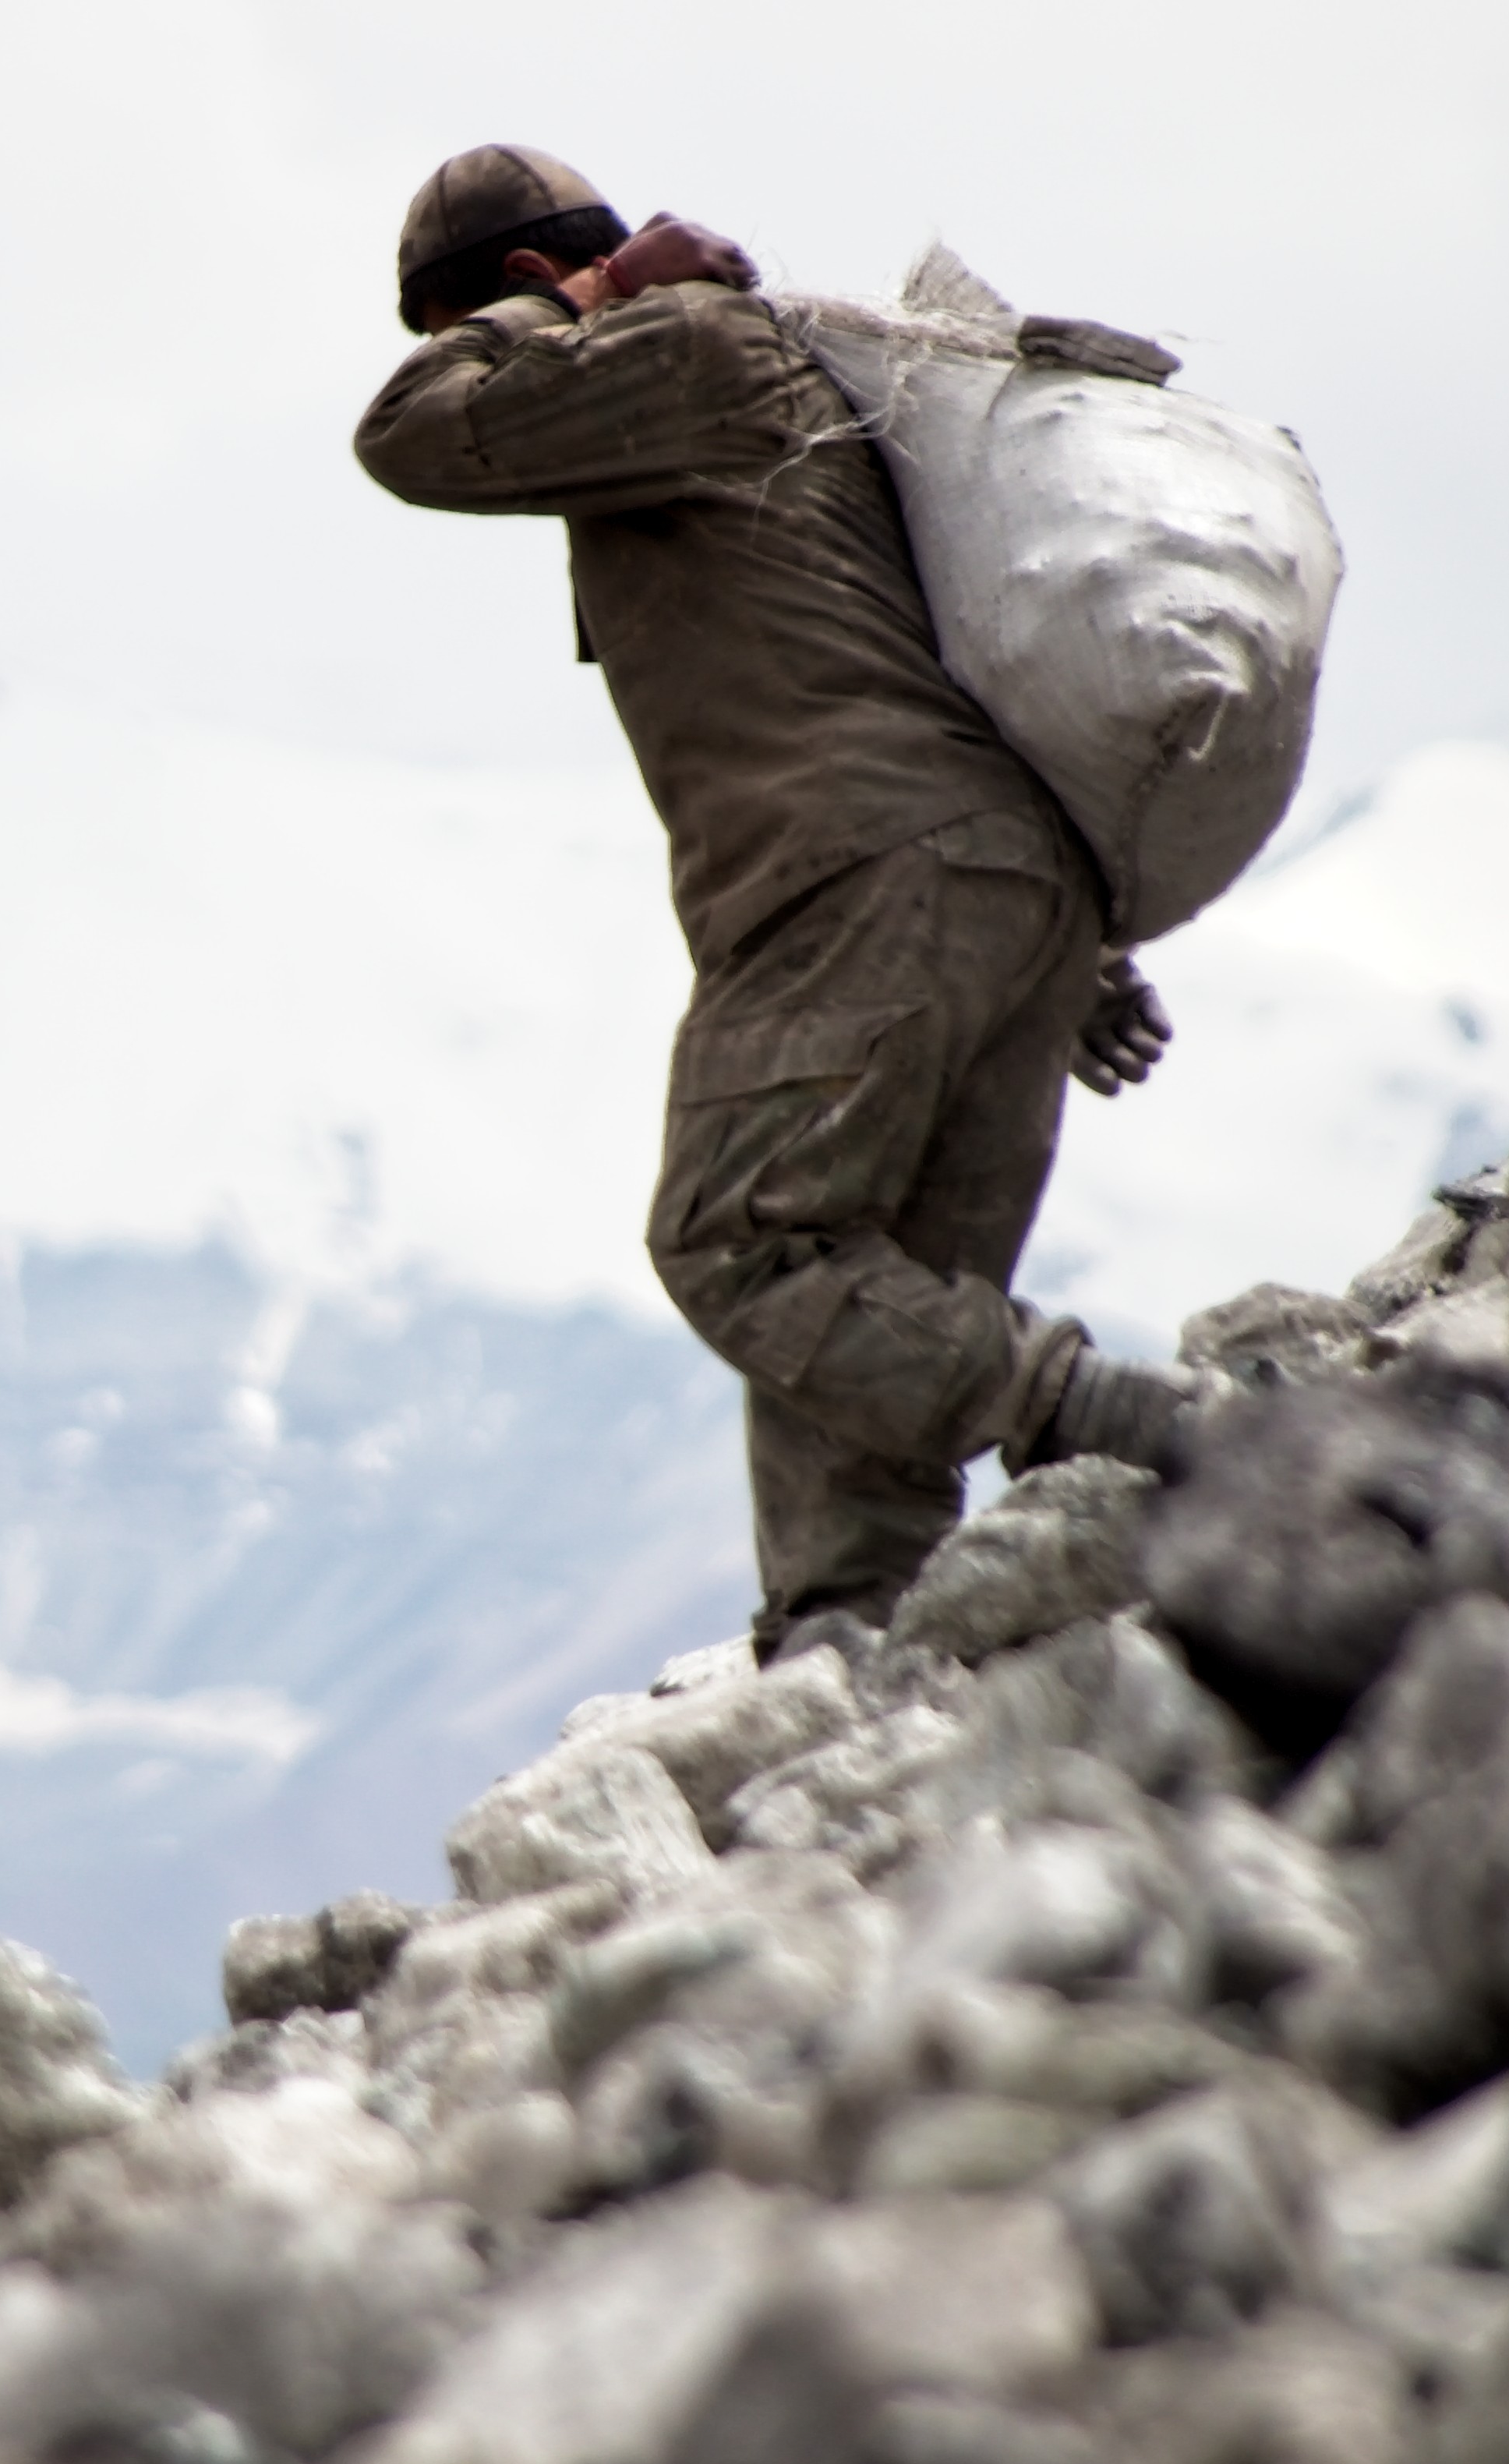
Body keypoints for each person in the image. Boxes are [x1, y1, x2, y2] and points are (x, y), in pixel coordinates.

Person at [352, 143, 1199, 1657]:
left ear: (534, 290)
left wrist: (585, 306)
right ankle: (842, 1653)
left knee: (736, 1245)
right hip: (992, 875)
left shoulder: (673, 347)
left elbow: (408, 434)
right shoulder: (781, 372)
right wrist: (1055, 945)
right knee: (857, 1313)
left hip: (851, 872)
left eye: (477, 327)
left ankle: (1111, 1416)